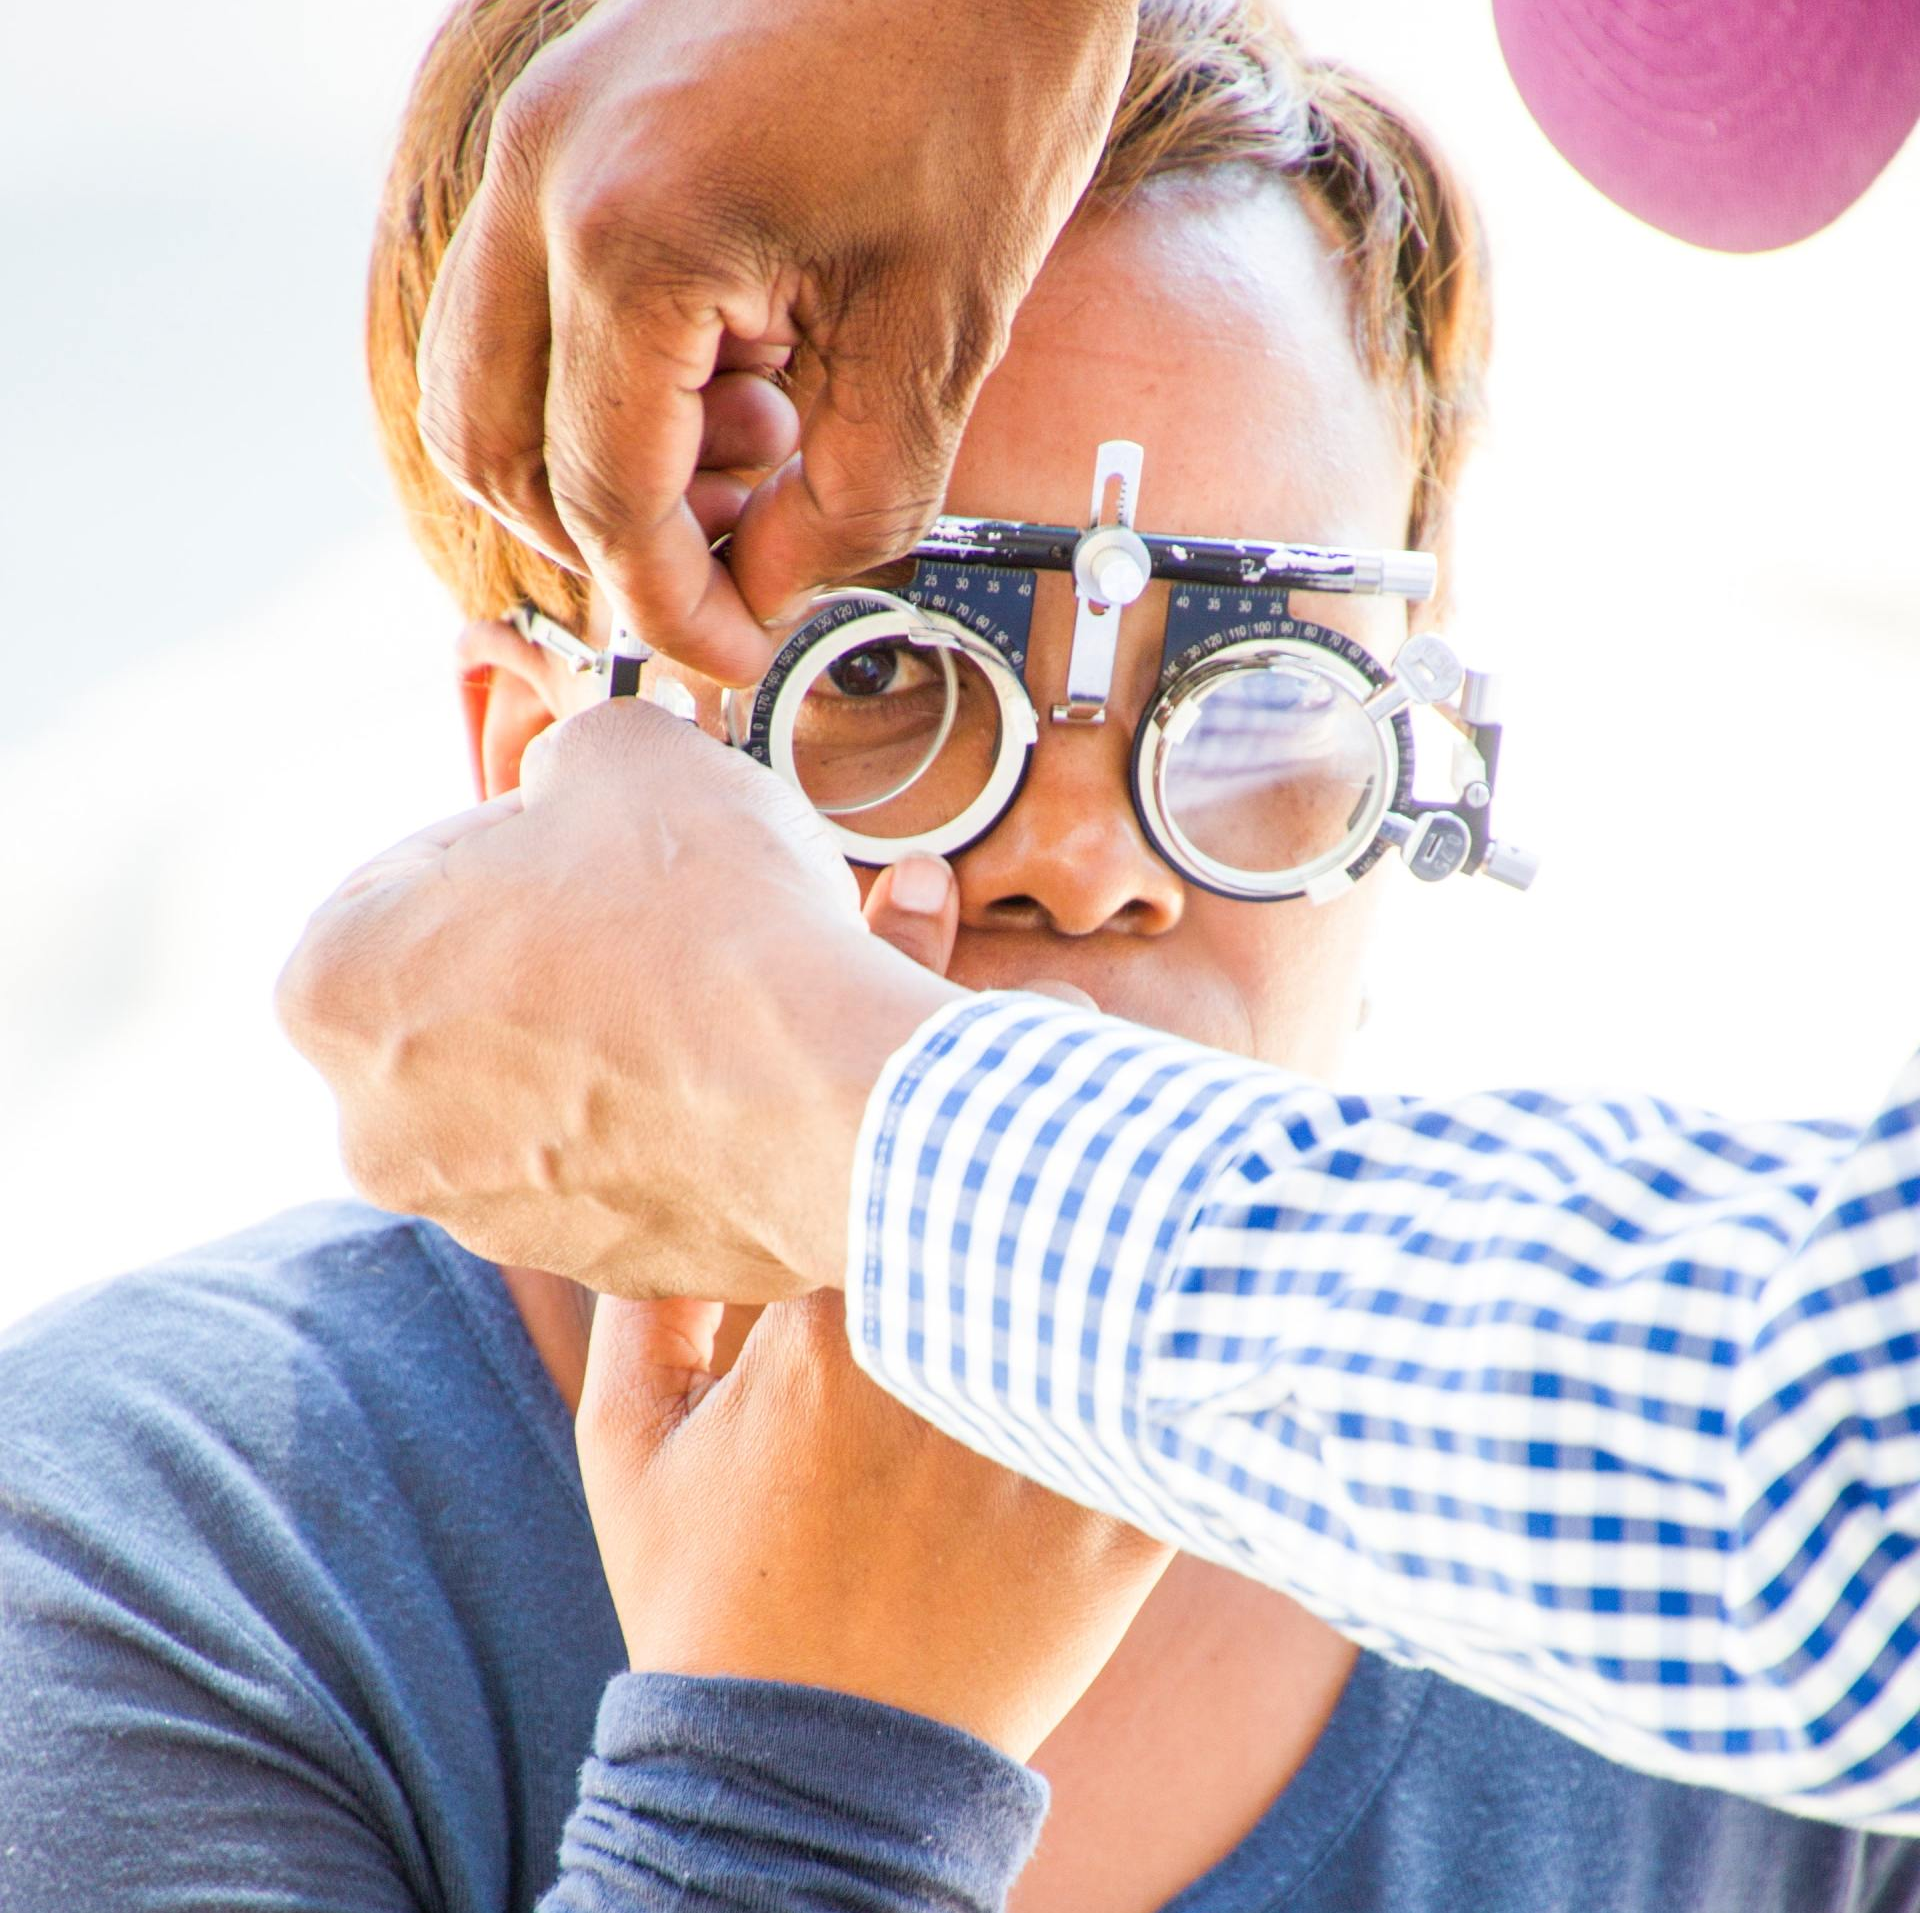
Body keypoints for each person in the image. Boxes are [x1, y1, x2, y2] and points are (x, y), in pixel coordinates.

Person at [11, 4, 1915, 1908]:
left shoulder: (1692, 1633)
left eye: (1258, 702)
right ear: (544, 784)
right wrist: (798, 1769)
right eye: (894, 675)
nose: (1085, 859)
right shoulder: (155, 1551)